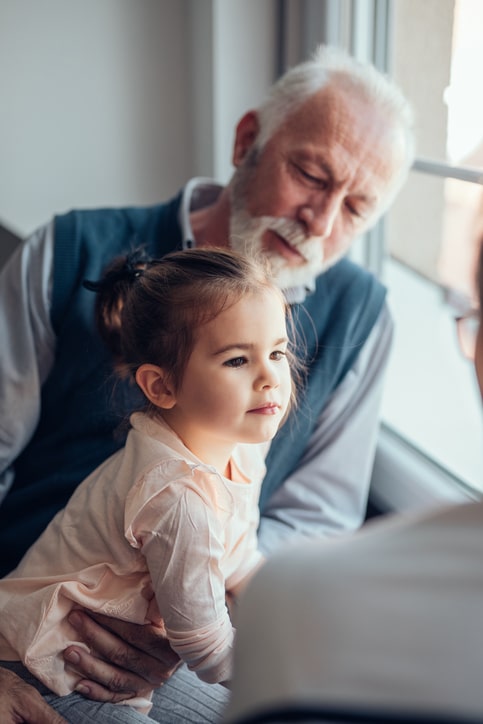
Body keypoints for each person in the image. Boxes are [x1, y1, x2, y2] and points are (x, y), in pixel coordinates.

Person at [0, 44, 414, 723]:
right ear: (247, 138)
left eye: (356, 210)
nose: (320, 219)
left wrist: (193, 596)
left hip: (192, 619)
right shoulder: (64, 253)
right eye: (311, 174)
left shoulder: (363, 318)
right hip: (38, 617)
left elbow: (314, 521)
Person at [0, 247, 294, 722]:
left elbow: (237, 558)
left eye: (278, 352)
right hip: (52, 663)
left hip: (136, 651)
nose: (271, 379)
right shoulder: (177, 495)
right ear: (161, 387)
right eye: (238, 360)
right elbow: (204, 642)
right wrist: (291, 675)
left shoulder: (240, 448)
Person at [224, 246, 483, 723]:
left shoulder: (295, 593)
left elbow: (315, 515)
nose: (270, 380)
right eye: (308, 173)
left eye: (280, 354)